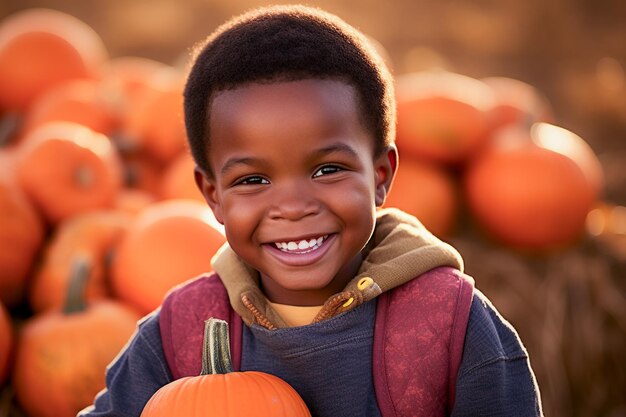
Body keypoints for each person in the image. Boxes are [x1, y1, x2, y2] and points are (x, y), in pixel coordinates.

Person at [79, 5, 543, 417]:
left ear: (380, 175)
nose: (294, 207)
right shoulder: (181, 330)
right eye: (253, 180)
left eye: (327, 169)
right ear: (212, 195)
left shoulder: (448, 324)